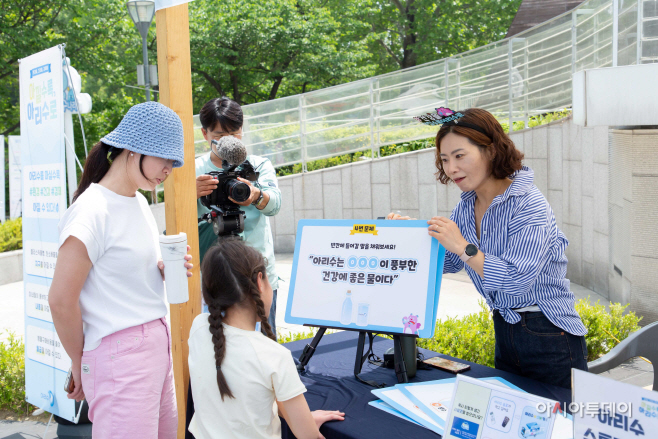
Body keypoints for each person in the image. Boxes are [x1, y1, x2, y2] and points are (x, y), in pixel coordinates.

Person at [389, 108, 588, 388]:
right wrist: (407, 237)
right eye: (444, 159)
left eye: (460, 156)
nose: (451, 168)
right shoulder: (467, 204)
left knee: (559, 427)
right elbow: (448, 262)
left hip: (550, 333)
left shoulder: (529, 204)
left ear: (491, 151)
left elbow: (516, 282)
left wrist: (462, 245)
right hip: (505, 327)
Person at [49, 101, 194, 439]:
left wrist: (159, 269)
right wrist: (79, 360)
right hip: (119, 355)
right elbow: (60, 301)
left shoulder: (139, 201)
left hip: (154, 344)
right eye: (164, 158)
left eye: (174, 161)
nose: (169, 169)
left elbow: (118, 273)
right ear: (133, 150)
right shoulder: (91, 210)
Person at [188, 240, 345, 439]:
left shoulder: (199, 327)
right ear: (260, 281)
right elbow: (309, 436)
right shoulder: (274, 356)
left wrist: (300, 418)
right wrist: (305, 422)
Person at [196, 97, 281, 337]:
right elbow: (177, 222)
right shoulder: (193, 171)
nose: (229, 141)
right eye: (220, 135)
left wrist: (255, 195)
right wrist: (190, 194)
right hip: (217, 277)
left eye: (235, 133)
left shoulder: (258, 165)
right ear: (204, 133)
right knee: (219, 348)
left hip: (258, 276)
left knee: (265, 348)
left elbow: (275, 204)